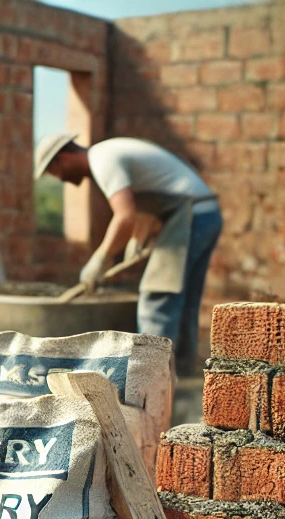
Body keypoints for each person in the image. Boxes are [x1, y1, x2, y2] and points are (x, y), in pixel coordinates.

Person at [34, 134, 221, 376]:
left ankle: (150, 381)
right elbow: (148, 202)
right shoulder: (109, 153)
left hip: (191, 216)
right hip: (205, 213)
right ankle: (184, 381)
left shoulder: (103, 159)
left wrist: (100, 259)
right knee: (184, 302)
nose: (60, 179)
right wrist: (137, 239)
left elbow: (124, 216)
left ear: (63, 159)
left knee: (158, 299)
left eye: (54, 172)